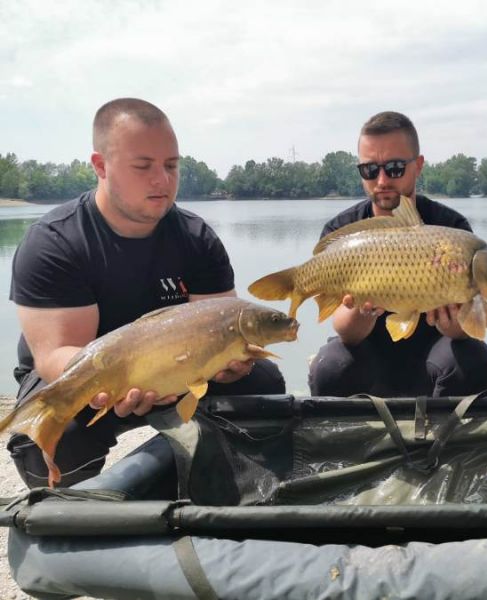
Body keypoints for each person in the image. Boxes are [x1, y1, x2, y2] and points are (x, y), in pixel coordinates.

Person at [8, 98, 286, 488]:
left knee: (263, 384)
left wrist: (233, 361)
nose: (162, 180)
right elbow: (55, 356)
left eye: (171, 166)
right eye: (143, 166)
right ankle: (73, 508)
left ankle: (218, 487)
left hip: (181, 372)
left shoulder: (196, 238)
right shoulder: (55, 242)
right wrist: (123, 380)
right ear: (101, 166)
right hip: (96, 379)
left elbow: (221, 324)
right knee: (47, 441)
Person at [308, 111, 487, 398]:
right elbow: (346, 332)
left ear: (418, 166)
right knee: (330, 368)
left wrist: (453, 324)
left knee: (473, 359)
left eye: (394, 168)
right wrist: (362, 315)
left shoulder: (452, 229)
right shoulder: (342, 233)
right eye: (370, 170)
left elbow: (466, 328)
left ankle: (447, 428)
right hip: (368, 353)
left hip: (435, 352)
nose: (381, 180)